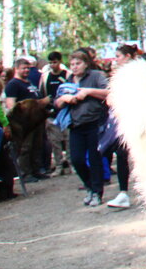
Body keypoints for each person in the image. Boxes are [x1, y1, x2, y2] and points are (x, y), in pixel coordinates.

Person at [55, 50, 110, 205]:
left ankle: (97, 192)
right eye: (72, 64)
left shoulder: (96, 76)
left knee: (95, 159)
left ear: (86, 64)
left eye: (78, 63)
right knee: (77, 160)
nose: (74, 67)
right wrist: (65, 99)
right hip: (75, 125)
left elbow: (109, 92)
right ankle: (89, 186)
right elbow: (57, 102)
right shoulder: (68, 79)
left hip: (94, 123)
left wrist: (88, 92)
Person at [101, 45, 137, 209]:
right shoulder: (120, 75)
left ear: (128, 56)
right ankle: (123, 193)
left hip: (136, 119)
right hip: (123, 120)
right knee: (122, 154)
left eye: (118, 56)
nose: (116, 59)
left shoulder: (136, 73)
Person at [3, 58, 48, 180]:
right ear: (16, 69)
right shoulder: (13, 84)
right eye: (24, 68)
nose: (27, 70)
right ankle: (25, 173)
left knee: (37, 145)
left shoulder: (29, 82)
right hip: (24, 122)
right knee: (25, 147)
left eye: (28, 68)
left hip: (36, 119)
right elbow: (10, 104)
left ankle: (36, 170)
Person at [39, 51, 70, 175]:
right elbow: (42, 94)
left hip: (66, 112)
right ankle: (58, 166)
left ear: (60, 61)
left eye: (55, 62)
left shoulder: (67, 75)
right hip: (52, 114)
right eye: (50, 63)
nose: (53, 65)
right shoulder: (45, 77)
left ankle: (71, 164)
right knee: (54, 141)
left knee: (68, 140)